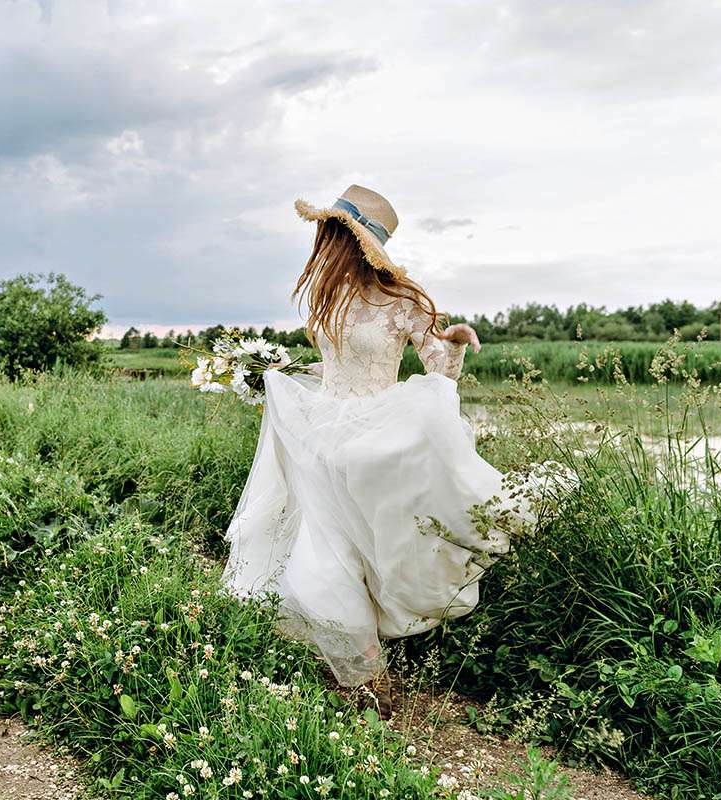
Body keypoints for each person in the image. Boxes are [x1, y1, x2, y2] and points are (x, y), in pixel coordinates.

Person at [222, 184, 528, 702]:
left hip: (376, 435)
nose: (323, 241)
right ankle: (367, 676)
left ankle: (371, 656)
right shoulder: (330, 296)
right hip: (323, 432)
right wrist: (285, 374)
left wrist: (451, 340)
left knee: (375, 547)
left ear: (354, 241)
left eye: (333, 232)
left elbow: (437, 368)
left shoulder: (404, 299)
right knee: (328, 548)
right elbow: (333, 366)